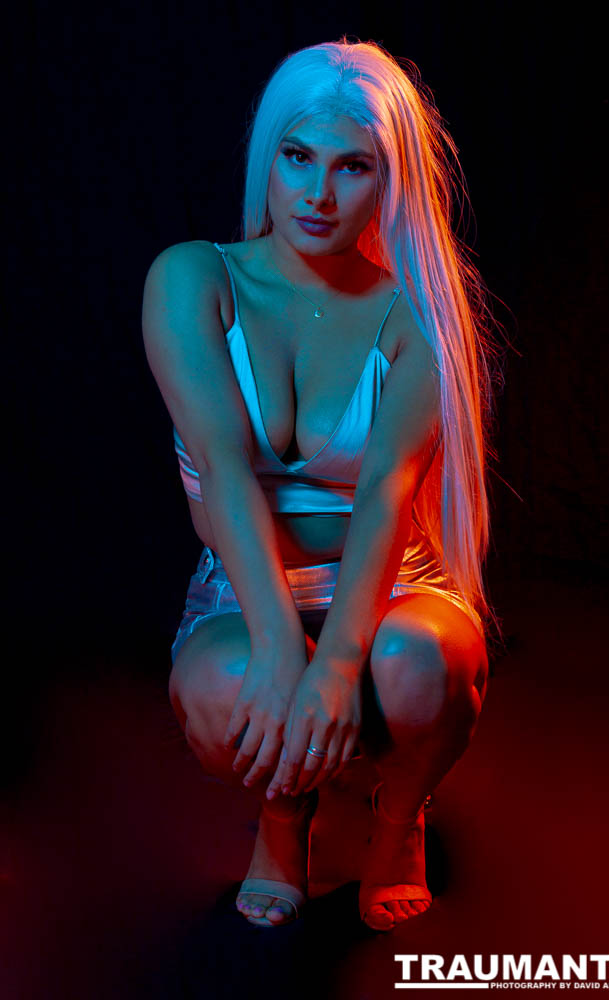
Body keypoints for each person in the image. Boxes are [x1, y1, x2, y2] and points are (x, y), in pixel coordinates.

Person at [142, 37, 500, 932]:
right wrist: (278, 646)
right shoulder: (193, 278)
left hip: (392, 581)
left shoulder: (415, 316)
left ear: (390, 182)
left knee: (419, 666)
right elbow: (223, 467)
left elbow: (384, 495)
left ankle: (399, 820)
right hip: (245, 582)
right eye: (298, 157)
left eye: (353, 167)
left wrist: (337, 662)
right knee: (228, 690)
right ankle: (283, 818)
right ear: (268, 158)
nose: (318, 193)